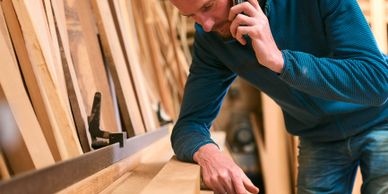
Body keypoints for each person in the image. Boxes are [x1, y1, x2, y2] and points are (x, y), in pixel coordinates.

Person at [169, 0, 388, 193]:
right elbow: (189, 125)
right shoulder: (210, 40)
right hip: (319, 137)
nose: (206, 25)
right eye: (192, 16)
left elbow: (378, 82)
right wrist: (208, 154)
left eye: (208, 6)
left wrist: (281, 61)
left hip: (380, 121)